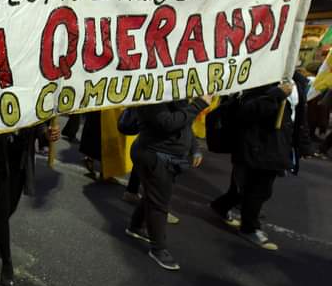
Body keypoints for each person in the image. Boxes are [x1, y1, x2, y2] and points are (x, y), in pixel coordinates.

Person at [0, 124, 59, 286]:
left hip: (19, 163)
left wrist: (46, 133)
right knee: (2, 212)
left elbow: (38, 122)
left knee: (11, 207)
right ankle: (7, 265)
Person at [125, 96, 211, 271]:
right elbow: (167, 123)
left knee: (154, 194)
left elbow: (184, 122)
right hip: (154, 155)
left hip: (168, 156)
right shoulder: (153, 92)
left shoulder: (176, 91)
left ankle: (135, 226)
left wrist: (194, 148)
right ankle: (158, 249)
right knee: (159, 203)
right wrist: (199, 104)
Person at [210, 81, 294, 250]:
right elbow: (246, 113)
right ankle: (249, 228)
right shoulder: (256, 87)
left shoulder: (284, 85)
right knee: (254, 191)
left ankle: (221, 207)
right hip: (255, 150)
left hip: (272, 149)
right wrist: (276, 95)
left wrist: (302, 145)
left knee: (248, 190)